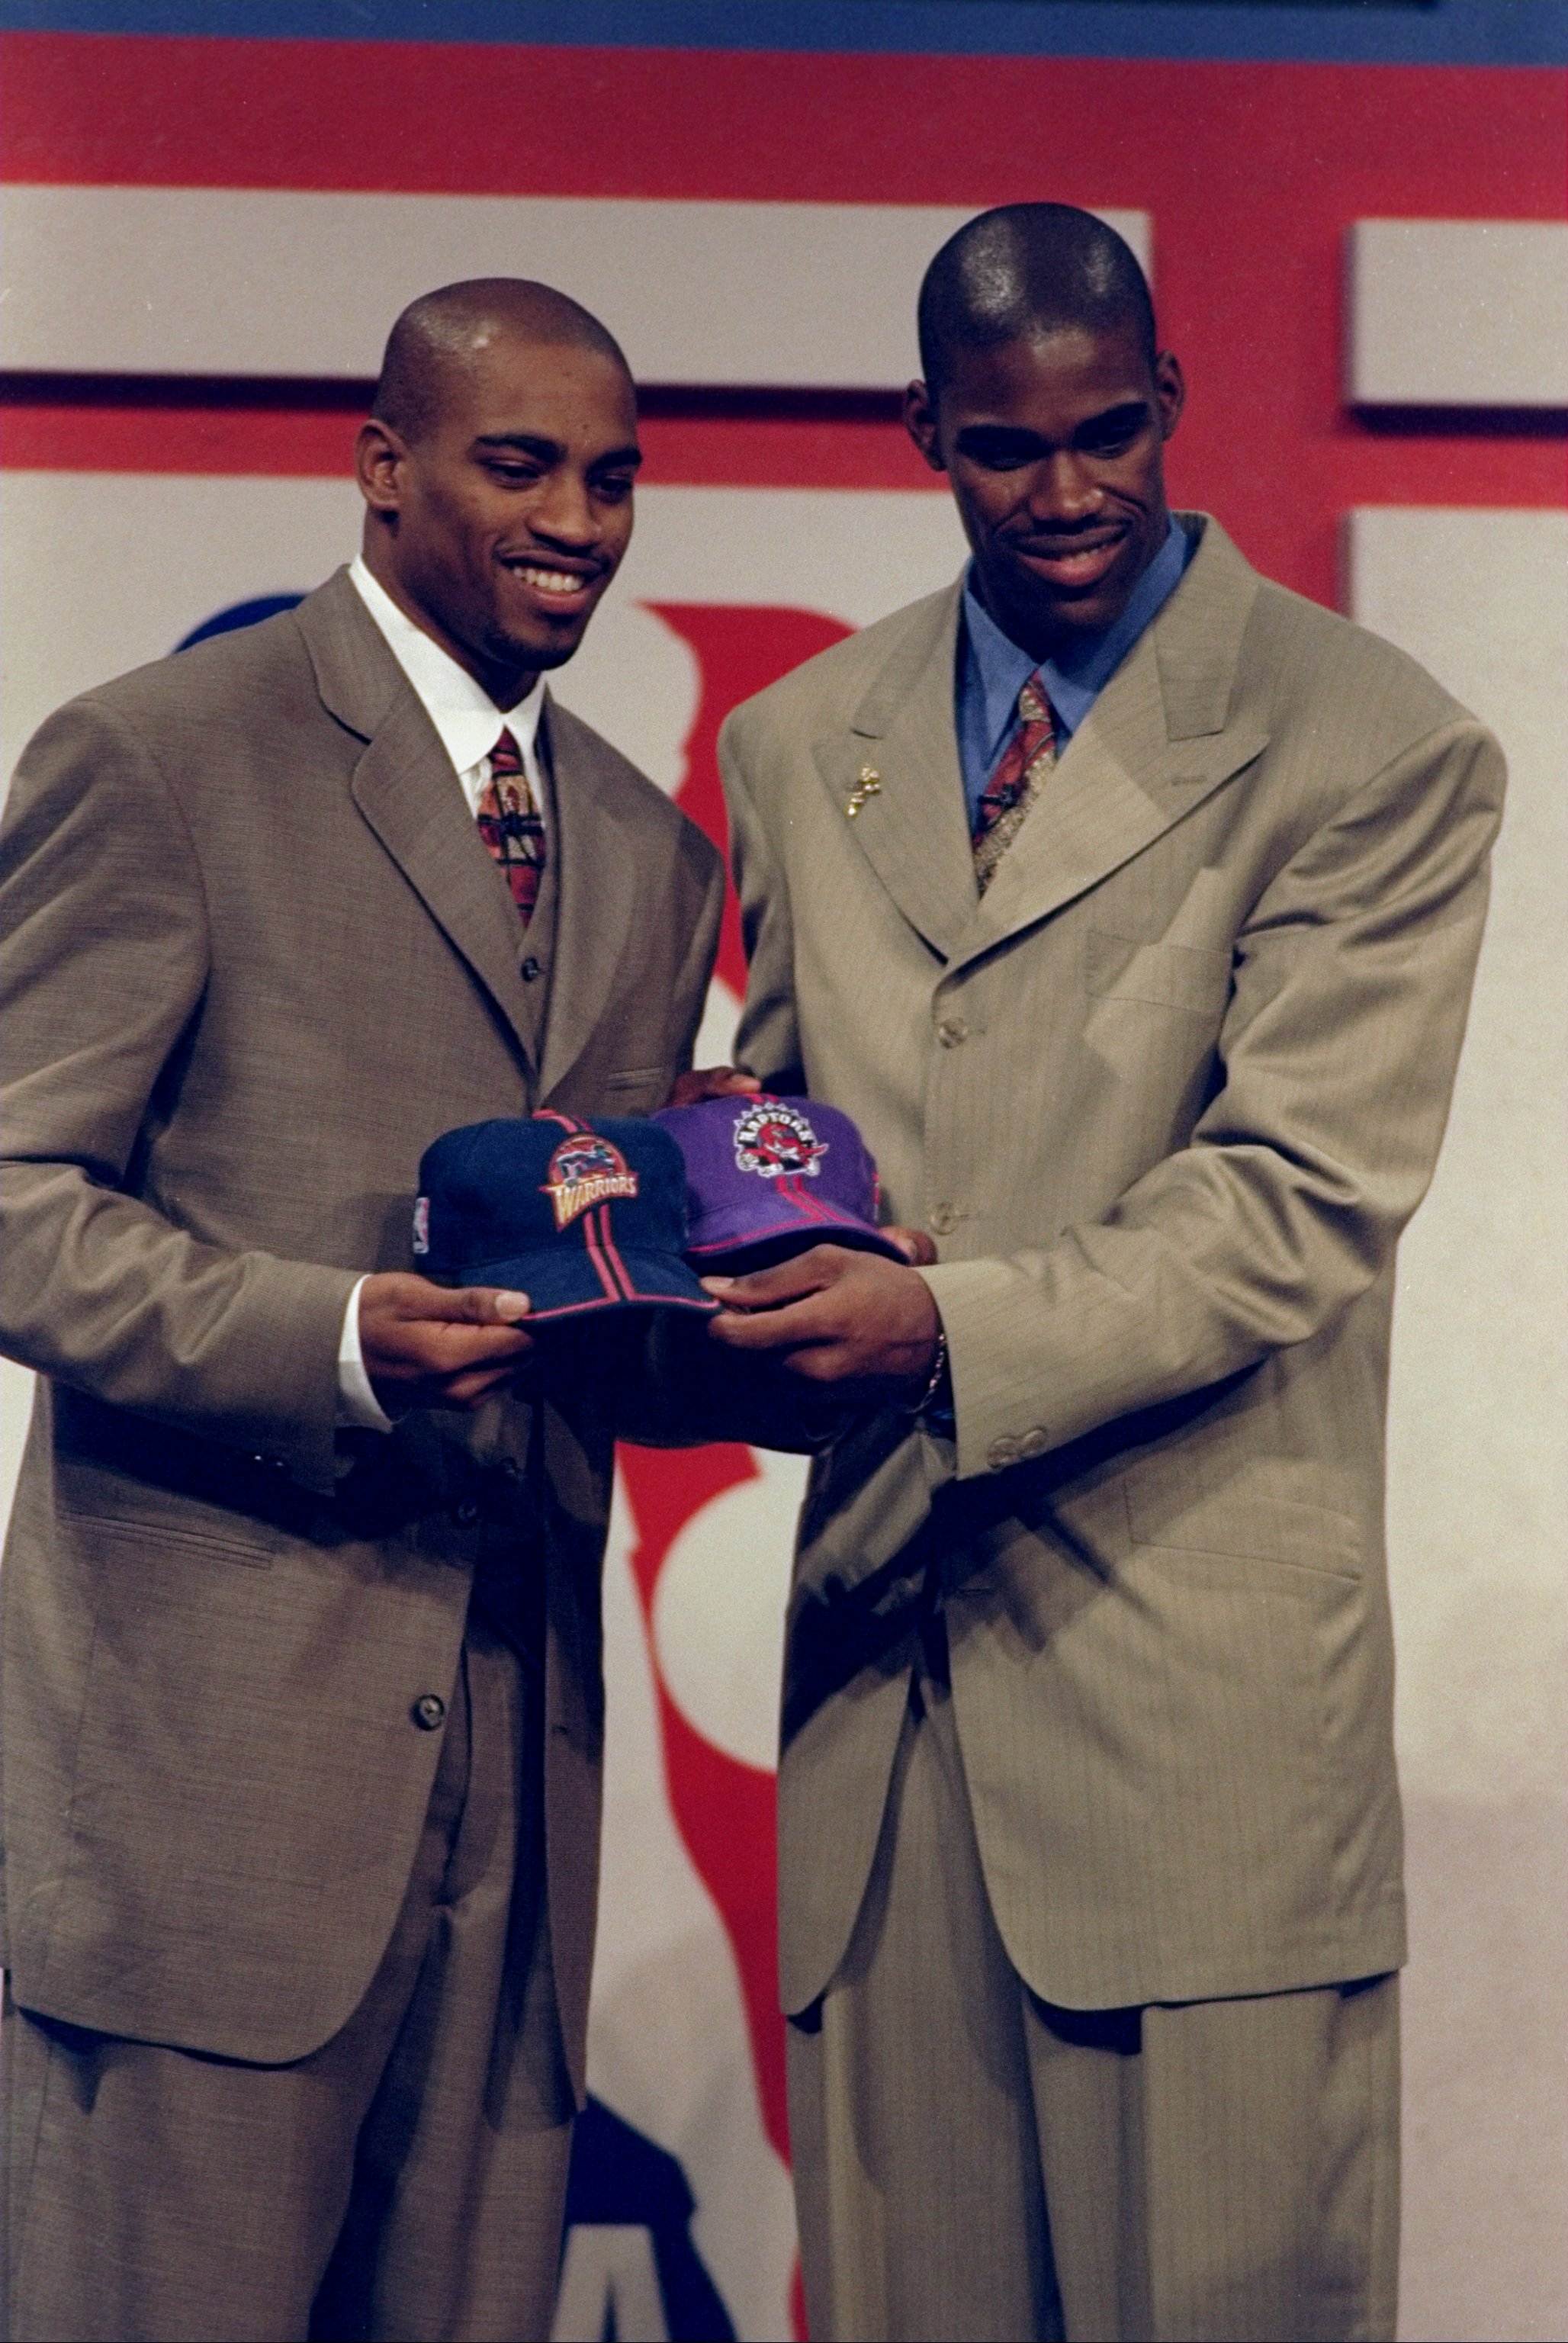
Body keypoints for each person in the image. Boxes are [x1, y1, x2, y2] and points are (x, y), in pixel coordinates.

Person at [705, 204, 1505, 2343]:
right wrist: (683, 1298)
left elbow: (1295, 1201)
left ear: (1168, 402)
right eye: (1003, 448)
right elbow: (782, 1146)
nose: (1065, 495)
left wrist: (932, 1328)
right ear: (923, 436)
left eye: (1105, 435)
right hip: (887, 1720)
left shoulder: (1372, 743)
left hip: (1200, 1749)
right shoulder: (801, 741)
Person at [0, 278, 726, 2342]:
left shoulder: (655, 852)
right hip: (206, 1811)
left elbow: (602, 1283)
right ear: (382, 465)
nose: (577, 515)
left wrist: (763, 1312)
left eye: (614, 475)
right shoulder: (165, 757)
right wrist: (326, 1337)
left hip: (516, 1805)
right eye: (519, 463)